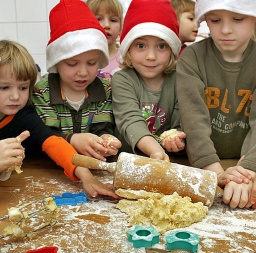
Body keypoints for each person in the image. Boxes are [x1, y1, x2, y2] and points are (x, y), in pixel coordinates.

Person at [0, 39, 118, 198]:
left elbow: (54, 143)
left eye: (23, 87)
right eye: (4, 87)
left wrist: (86, 176)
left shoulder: (24, 116)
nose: (15, 96)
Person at [176, 0, 256, 209]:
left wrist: (247, 172)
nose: (226, 30)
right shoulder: (192, 58)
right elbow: (194, 122)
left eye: (238, 19)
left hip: (247, 164)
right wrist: (218, 174)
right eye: (215, 20)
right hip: (205, 164)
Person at [32, 0, 121, 162]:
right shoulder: (42, 92)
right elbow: (43, 136)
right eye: (72, 64)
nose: (83, 72)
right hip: (52, 168)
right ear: (56, 62)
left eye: (92, 63)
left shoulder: (105, 89)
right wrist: (73, 140)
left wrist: (106, 139)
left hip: (92, 167)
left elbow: (101, 128)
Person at [112, 0, 186, 161]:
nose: (151, 56)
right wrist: (155, 151)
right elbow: (130, 120)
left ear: (172, 50)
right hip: (128, 162)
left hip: (168, 162)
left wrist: (179, 141)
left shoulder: (179, 79)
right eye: (140, 45)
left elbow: (183, 122)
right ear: (128, 48)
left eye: (161, 46)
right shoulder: (122, 79)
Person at [86, 0, 123, 76]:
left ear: (120, 27)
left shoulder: (126, 59)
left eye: (113, 20)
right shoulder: (80, 58)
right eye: (98, 19)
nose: (106, 25)